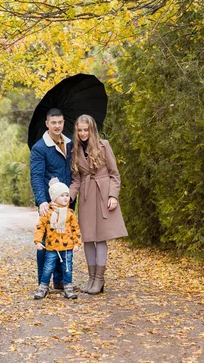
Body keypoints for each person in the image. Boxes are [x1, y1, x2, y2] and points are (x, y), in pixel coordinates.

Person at [69, 114, 128, 295]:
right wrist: (67, 197)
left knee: (101, 237)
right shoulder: (75, 150)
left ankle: (100, 280)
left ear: (92, 129)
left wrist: (113, 196)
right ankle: (91, 278)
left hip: (103, 195)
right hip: (86, 196)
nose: (83, 133)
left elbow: (114, 174)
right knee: (87, 238)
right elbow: (76, 180)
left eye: (86, 130)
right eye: (79, 130)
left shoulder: (104, 145)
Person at [30, 108, 73, 290]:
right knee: (47, 241)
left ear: (63, 123)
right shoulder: (40, 148)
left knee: (64, 239)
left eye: (60, 122)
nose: (57, 126)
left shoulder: (70, 144)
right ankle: (43, 281)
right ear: (47, 124)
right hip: (49, 203)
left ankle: (61, 280)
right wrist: (42, 201)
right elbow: (37, 176)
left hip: (66, 201)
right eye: (53, 122)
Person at [34, 178, 82, 299]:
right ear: (54, 198)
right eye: (62, 195)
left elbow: (76, 228)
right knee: (48, 268)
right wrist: (38, 241)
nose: (66, 198)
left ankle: (68, 288)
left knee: (67, 268)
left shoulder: (70, 213)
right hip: (52, 247)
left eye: (67, 195)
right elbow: (40, 227)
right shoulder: (48, 213)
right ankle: (43, 287)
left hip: (67, 247)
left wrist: (77, 243)